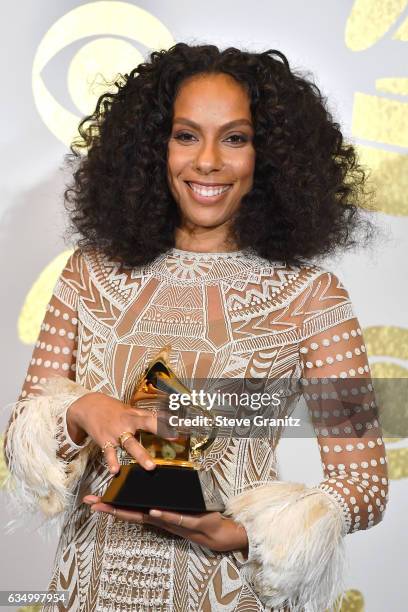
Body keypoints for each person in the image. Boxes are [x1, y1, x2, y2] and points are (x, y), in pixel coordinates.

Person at [3, 43, 388, 612]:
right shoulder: (89, 274)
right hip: (85, 593)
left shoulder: (311, 299)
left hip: (230, 593)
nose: (207, 161)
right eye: (186, 135)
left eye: (234, 137)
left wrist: (242, 533)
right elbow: (20, 445)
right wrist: (82, 410)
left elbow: (363, 485)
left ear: (270, 156)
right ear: (152, 148)